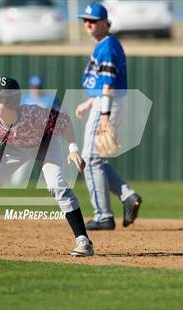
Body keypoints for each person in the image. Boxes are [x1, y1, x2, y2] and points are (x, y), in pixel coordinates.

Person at [0, 77, 94, 256]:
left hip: (46, 143)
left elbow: (64, 122)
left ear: (12, 100)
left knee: (58, 186)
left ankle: (83, 241)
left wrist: (73, 149)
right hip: (14, 147)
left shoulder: (33, 114)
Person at [76, 3, 142, 230]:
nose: (88, 24)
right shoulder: (105, 45)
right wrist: (89, 103)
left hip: (108, 105)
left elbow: (109, 85)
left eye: (92, 20)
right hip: (106, 103)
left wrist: (103, 115)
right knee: (95, 160)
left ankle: (103, 215)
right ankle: (127, 196)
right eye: (85, 20)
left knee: (90, 159)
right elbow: (103, 85)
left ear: (105, 22)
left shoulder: (107, 47)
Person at [11, 75, 59, 185]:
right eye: (33, 87)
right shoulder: (24, 99)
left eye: (38, 87)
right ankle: (15, 188)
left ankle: (53, 184)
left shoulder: (50, 100)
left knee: (50, 165)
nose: (36, 90)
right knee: (20, 167)